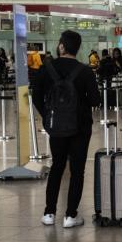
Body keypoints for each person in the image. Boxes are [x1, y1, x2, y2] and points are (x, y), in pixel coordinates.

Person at [32, 30, 100, 228]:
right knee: (77, 170)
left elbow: (36, 96)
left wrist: (48, 115)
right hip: (80, 126)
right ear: (77, 49)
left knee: (57, 167)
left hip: (56, 127)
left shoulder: (47, 69)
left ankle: (49, 213)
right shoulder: (85, 71)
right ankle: (71, 215)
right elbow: (95, 100)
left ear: (61, 46)